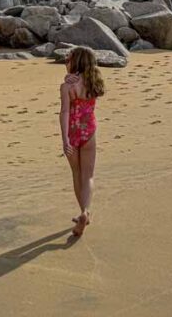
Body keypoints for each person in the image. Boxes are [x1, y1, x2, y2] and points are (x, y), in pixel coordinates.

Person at [59, 47, 105, 236]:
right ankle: (85, 211)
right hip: (89, 131)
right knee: (88, 176)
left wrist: (65, 139)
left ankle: (82, 214)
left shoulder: (68, 86)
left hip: (73, 132)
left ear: (75, 61)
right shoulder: (94, 81)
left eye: (68, 59)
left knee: (76, 173)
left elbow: (65, 112)